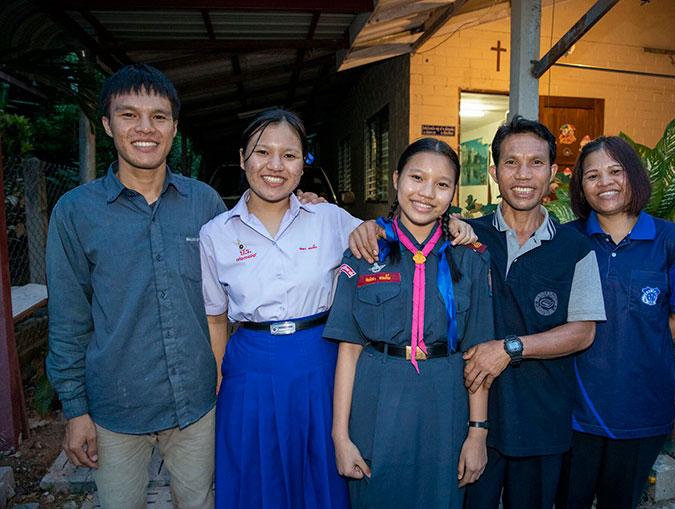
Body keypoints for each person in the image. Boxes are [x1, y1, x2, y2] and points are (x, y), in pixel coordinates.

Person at [200, 110, 477, 508]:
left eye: (290, 155)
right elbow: (215, 316)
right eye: (262, 152)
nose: (275, 166)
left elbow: (400, 230)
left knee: (322, 474)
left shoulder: (329, 219)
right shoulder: (216, 234)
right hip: (250, 365)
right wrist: (221, 381)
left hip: (320, 355)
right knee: (256, 474)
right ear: (243, 158)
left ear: (303, 166)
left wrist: (455, 226)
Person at [46, 64, 225, 508]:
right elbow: (68, 315)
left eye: (159, 117)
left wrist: (307, 206)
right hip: (115, 408)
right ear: (108, 125)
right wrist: (75, 409)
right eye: (129, 115)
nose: (145, 129)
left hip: (195, 405)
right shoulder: (76, 212)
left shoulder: (204, 202)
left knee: (199, 502)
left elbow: (250, 261)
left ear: (174, 127)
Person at [325, 137, 494, 508]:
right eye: (417, 178)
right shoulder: (364, 252)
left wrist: (477, 434)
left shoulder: (470, 259)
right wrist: (340, 436)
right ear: (397, 179)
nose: (426, 193)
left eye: (442, 184)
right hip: (376, 404)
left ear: (452, 194)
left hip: (444, 406)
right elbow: (349, 353)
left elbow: (478, 356)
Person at [462, 116, 607, 509]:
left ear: (553, 173)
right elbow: (408, 230)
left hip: (541, 419)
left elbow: (583, 331)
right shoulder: (464, 236)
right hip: (472, 421)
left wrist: (508, 348)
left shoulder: (576, 248)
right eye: (511, 163)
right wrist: (369, 229)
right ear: (494, 172)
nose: (523, 175)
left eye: (536, 163)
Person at [555, 136, 675, 509]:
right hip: (574, 409)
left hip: (641, 408)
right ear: (581, 187)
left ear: (633, 176)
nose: (605, 182)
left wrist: (638, 345)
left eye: (615, 171)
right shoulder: (565, 240)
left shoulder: (673, 241)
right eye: (592, 175)